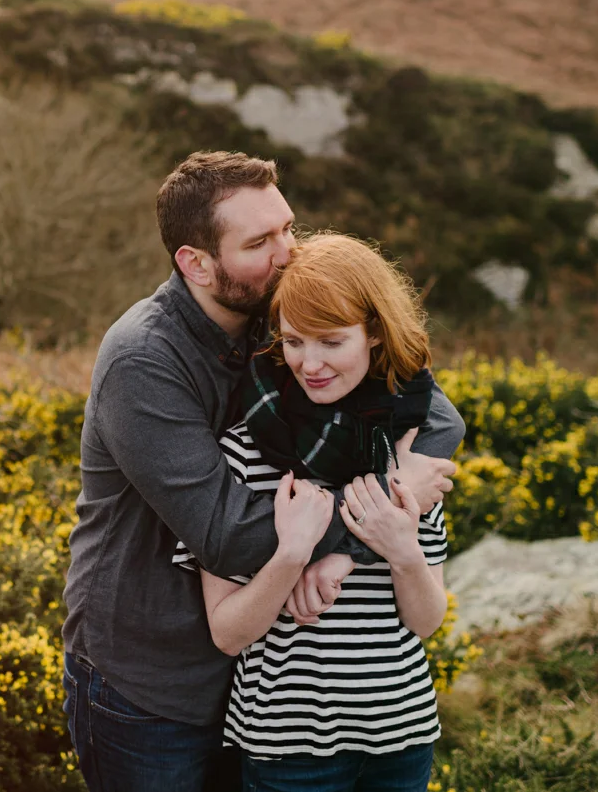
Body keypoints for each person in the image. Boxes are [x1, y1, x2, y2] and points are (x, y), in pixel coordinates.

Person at [61, 152, 466, 792]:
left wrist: (380, 516)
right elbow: (231, 534)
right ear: (196, 263)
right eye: (259, 242)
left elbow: (432, 413)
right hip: (153, 682)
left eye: (288, 229)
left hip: (266, 687)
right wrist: (383, 515)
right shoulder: (144, 360)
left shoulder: (282, 321)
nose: (288, 254)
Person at [177, 233, 454, 792]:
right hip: (287, 749)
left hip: (401, 738)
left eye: (331, 342)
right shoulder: (242, 454)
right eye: (296, 342)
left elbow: (425, 623)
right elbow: (228, 634)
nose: (310, 363)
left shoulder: (409, 456)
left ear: (374, 334)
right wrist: (293, 556)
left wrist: (401, 551)